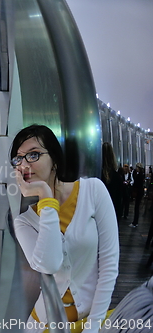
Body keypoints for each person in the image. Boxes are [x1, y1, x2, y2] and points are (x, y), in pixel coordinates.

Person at [10, 124, 119, 333]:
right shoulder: (24, 222)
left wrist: (93, 326)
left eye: (33, 155)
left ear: (55, 161)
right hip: (43, 325)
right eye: (19, 158)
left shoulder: (93, 191)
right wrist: (45, 196)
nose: (24, 164)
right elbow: (50, 264)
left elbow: (109, 264)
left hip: (89, 322)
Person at [100, 142, 122, 221]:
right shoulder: (117, 177)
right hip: (112, 213)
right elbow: (119, 201)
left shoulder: (96, 175)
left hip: (98, 214)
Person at [130, 163, 145, 227]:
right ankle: (135, 222)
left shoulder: (139, 175)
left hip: (138, 192)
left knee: (136, 207)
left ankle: (135, 222)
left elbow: (136, 183)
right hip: (140, 192)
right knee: (137, 207)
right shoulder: (141, 175)